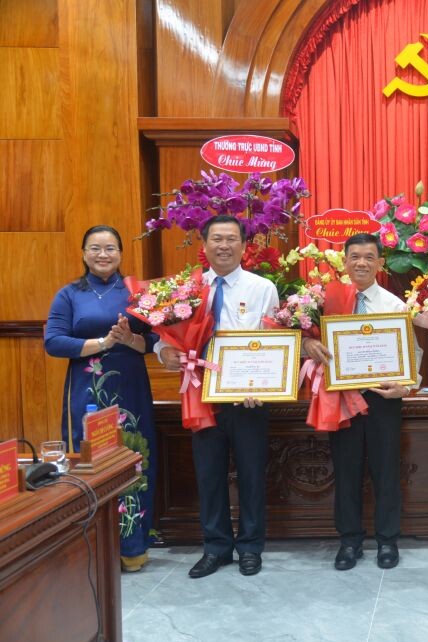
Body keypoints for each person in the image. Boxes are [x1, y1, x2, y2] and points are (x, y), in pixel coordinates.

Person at [157, 215, 279, 578]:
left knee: (252, 475)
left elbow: (276, 341)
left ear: (244, 245)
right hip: (201, 395)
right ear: (204, 244)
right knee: (209, 475)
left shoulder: (262, 288)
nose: (223, 245)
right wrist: (165, 353)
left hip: (248, 398)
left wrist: (263, 386)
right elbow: (165, 339)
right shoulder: (187, 290)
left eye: (231, 239)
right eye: (216, 239)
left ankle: (251, 547)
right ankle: (216, 548)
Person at [45, 225, 159, 572]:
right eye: (95, 248)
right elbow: (54, 342)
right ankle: (91, 547)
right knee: (90, 458)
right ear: (83, 253)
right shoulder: (69, 294)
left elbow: (157, 339)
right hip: (87, 387)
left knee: (136, 456)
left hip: (131, 387)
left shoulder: (138, 293)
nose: (103, 254)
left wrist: (129, 340)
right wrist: (103, 343)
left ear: (121, 254)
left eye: (110, 248)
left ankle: (132, 547)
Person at [301, 233, 417, 571]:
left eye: (369, 257)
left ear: (380, 263)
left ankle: (387, 540)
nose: (361, 263)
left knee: (386, 471)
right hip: (341, 398)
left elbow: (412, 355)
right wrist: (308, 344)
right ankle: (349, 541)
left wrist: (405, 387)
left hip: (382, 399)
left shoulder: (394, 306)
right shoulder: (324, 301)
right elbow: (303, 339)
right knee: (346, 471)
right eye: (354, 257)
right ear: (345, 261)